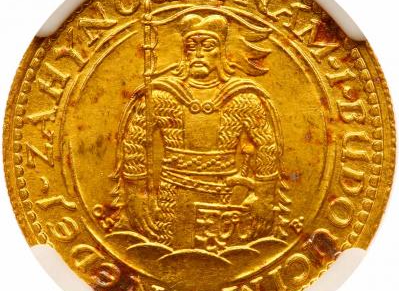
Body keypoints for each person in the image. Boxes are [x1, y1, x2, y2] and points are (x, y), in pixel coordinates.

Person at [106, 13, 286, 252]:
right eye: (192, 46)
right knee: (169, 252)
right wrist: (136, 195)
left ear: (221, 52)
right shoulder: (161, 95)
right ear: (185, 52)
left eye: (208, 46)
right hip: (172, 196)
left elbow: (267, 147)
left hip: (226, 195)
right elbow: (134, 144)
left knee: (223, 257)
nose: (199, 53)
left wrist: (264, 196)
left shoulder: (243, 98)